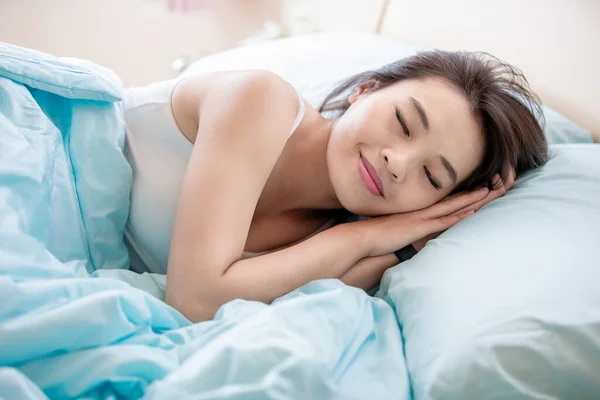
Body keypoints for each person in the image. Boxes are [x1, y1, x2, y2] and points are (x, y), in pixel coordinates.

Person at [123, 50, 548, 322]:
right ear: (363, 92)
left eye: (432, 176)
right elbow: (195, 299)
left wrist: (405, 242)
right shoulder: (261, 99)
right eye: (402, 123)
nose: (397, 164)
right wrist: (367, 235)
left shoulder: (333, 239)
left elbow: (279, 310)